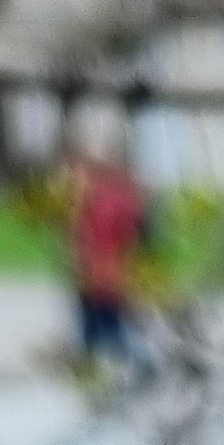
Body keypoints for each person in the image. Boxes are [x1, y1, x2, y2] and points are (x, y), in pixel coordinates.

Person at [66, 121, 149, 370]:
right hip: (94, 274)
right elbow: (81, 234)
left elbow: (131, 236)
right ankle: (92, 365)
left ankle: (137, 363)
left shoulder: (117, 196)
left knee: (111, 327)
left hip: (109, 274)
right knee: (94, 326)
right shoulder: (94, 193)